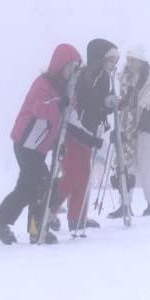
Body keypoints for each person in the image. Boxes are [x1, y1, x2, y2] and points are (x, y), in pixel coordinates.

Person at [0, 43, 82, 245]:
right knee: (42, 184)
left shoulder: (65, 90)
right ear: (61, 65)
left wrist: (58, 143)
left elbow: (60, 123)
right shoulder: (44, 84)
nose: (73, 72)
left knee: (28, 187)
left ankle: (1, 224)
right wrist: (59, 103)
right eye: (71, 66)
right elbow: (40, 109)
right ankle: (36, 230)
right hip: (26, 142)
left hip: (38, 146)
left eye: (75, 68)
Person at [53, 38, 120, 232]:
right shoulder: (81, 76)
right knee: (73, 174)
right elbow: (80, 102)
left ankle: (77, 217)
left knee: (83, 175)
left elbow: (98, 106)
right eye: (110, 60)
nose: (113, 64)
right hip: (74, 131)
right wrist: (102, 104)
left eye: (115, 60)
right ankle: (49, 210)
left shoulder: (105, 78)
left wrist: (108, 104)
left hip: (89, 132)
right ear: (99, 58)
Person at [108, 45, 150, 218]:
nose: (129, 63)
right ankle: (125, 205)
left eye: (133, 60)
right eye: (128, 59)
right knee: (126, 166)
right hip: (127, 128)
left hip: (148, 129)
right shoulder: (124, 80)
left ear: (142, 62)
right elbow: (123, 104)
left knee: (145, 166)